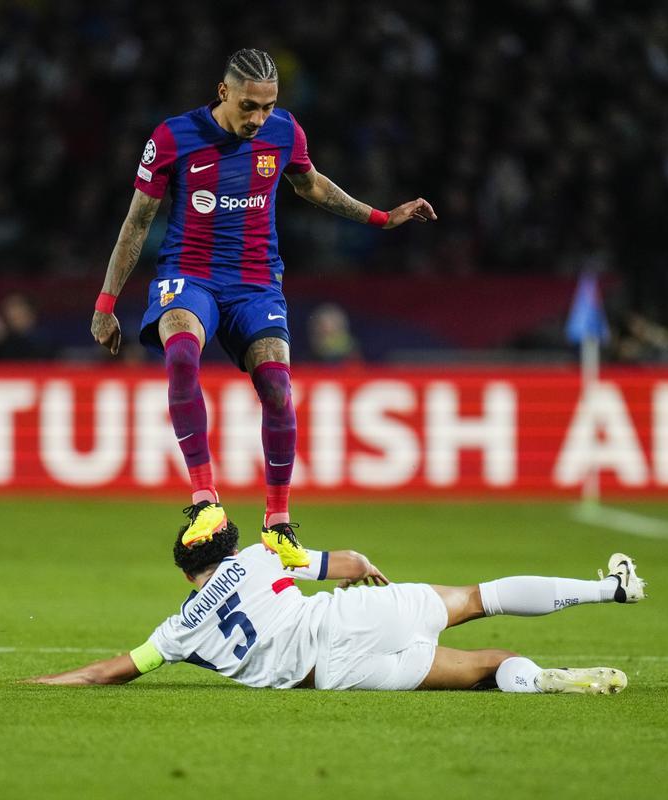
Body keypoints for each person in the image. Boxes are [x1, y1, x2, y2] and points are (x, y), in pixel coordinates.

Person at [87, 48, 436, 568]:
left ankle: (277, 524)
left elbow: (312, 185)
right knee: (182, 354)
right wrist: (106, 303)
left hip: (255, 283)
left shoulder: (284, 132)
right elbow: (137, 223)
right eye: (250, 106)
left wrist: (382, 218)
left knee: (277, 387)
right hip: (190, 274)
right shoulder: (172, 138)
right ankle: (205, 500)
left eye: (268, 107)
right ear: (223, 92)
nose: (258, 119)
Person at [28, 523, 645, 694]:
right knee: (480, 600)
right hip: (349, 618)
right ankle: (611, 589)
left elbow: (109, 670)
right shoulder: (261, 557)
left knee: (488, 665)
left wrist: (39, 681)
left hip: (334, 677)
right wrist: (367, 569)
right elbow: (347, 562)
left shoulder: (176, 631)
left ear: (188, 575)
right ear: (230, 548)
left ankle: (534, 681)